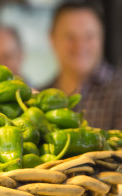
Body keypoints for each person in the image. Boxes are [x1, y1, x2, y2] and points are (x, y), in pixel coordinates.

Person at [46, 1, 122, 130]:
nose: (80, 45)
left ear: (102, 37)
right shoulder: (44, 94)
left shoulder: (119, 89)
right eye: (70, 36)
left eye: (89, 36)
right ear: (52, 39)